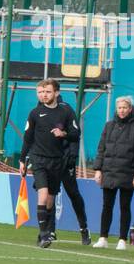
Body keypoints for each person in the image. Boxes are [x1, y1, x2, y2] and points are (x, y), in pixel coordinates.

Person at [18, 79, 89, 248]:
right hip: (39, 159)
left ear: (56, 93)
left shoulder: (66, 111)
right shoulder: (35, 113)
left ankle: (46, 232)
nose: (44, 95)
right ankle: (44, 235)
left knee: (50, 199)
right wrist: (22, 159)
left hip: (58, 161)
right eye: (41, 92)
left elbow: (75, 134)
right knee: (42, 195)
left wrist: (63, 133)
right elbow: (28, 139)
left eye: (48, 92)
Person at [91, 95, 134, 249]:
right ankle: (103, 238)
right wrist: (98, 169)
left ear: (130, 109)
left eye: (125, 108)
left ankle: (122, 240)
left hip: (128, 173)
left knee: (125, 206)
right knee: (107, 206)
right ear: (116, 109)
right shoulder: (109, 125)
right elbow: (101, 149)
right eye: (119, 108)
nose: (122, 111)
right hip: (109, 172)